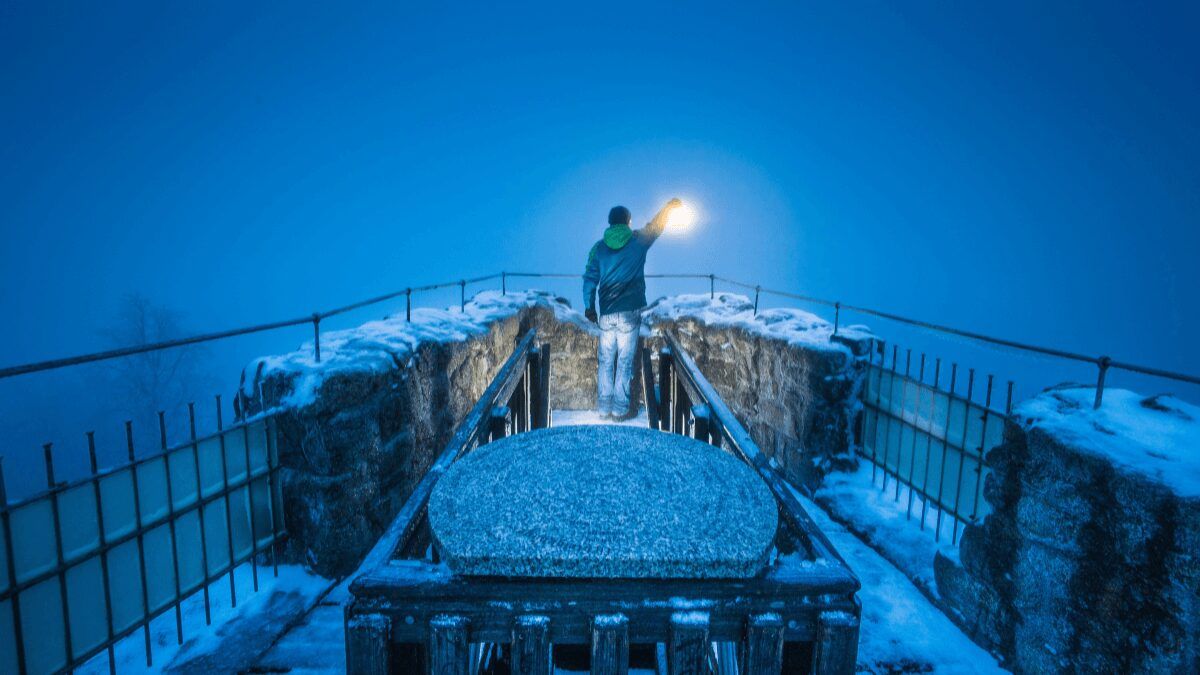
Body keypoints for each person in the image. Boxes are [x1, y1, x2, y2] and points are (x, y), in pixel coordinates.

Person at [583, 198, 682, 421]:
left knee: (606, 361)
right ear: (628, 222)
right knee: (625, 362)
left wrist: (590, 307)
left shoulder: (598, 248)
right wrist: (668, 207)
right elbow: (656, 227)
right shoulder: (637, 241)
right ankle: (619, 410)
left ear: (610, 223)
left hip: (607, 313)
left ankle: (603, 409)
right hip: (630, 312)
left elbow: (589, 279)